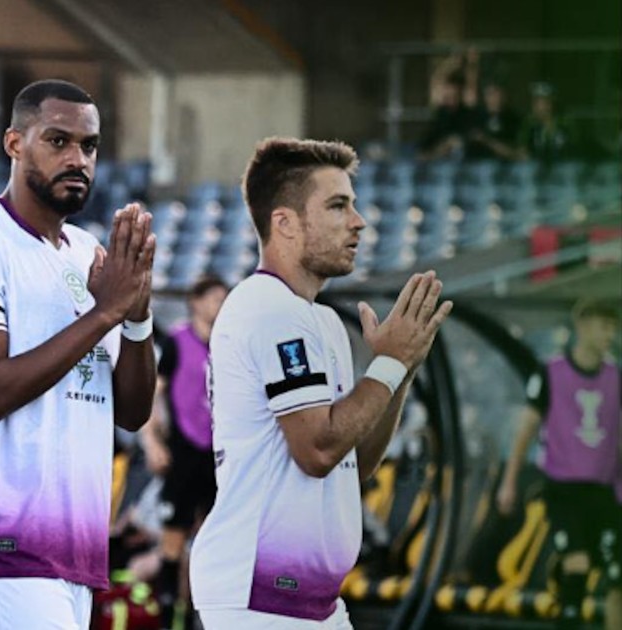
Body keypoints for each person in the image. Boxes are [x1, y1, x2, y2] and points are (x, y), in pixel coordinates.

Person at [189, 137, 453, 629]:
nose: (359, 221)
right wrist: (388, 365)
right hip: (261, 595)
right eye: (338, 206)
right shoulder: (268, 309)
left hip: (311, 601)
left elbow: (352, 464)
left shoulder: (321, 322)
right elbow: (317, 451)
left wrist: (402, 368)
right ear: (284, 222)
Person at [0, 79, 157, 629]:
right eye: (58, 141)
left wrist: (138, 315)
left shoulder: (87, 254)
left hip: (73, 552)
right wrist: (103, 314)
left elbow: (132, 413)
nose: (77, 159)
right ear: (14, 144)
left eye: (89, 146)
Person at [497, 299, 620, 630]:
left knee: (616, 575)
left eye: (613, 325)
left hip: (605, 492)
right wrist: (509, 482)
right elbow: (526, 430)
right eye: (602, 324)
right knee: (577, 563)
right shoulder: (551, 373)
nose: (610, 332)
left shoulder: (616, 376)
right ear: (581, 326)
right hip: (564, 490)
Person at [139, 274, 229, 628]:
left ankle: (206, 617)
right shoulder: (178, 343)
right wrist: (152, 441)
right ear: (196, 302)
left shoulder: (227, 345)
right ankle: (167, 618)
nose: (219, 306)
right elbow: (153, 392)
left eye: (224, 299)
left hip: (217, 455)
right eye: (214, 299)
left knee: (214, 545)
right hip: (183, 452)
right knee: (173, 541)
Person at [519, 82, 577, 162]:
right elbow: (522, 146)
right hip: (537, 163)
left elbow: (574, 146)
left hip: (562, 163)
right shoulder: (529, 123)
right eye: (536, 102)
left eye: (546, 102)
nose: (540, 106)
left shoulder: (565, 122)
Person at [466, 80, 522, 161]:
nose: (493, 98)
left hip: (504, 165)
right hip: (477, 164)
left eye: (496, 94)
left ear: (503, 96)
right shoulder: (477, 117)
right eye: (489, 94)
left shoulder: (512, 119)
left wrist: (486, 140)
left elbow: (512, 152)